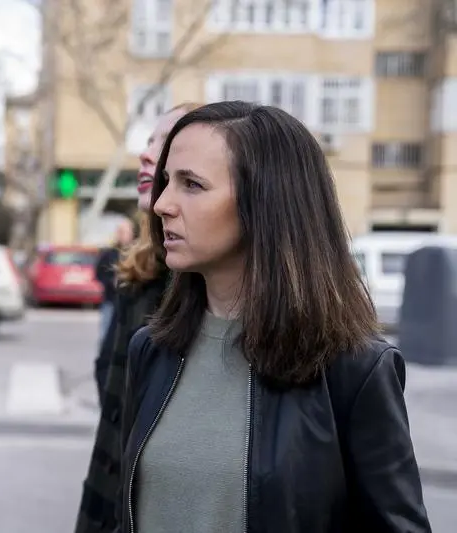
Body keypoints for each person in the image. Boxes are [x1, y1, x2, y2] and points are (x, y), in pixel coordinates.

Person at [117, 101, 431, 532]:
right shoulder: (151, 351)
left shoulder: (353, 370)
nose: (161, 204)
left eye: (192, 184)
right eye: (167, 182)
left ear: (265, 203)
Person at [74, 102, 196, 533]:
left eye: (165, 144)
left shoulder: (216, 293)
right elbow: (113, 416)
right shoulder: (138, 276)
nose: (146, 155)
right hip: (109, 500)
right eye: (148, 142)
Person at [93, 219, 133, 395]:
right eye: (120, 231)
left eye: (126, 231)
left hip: (128, 303)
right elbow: (99, 272)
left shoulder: (136, 252)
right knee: (106, 337)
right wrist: (110, 282)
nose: (123, 235)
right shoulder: (109, 253)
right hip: (111, 301)